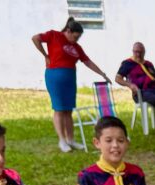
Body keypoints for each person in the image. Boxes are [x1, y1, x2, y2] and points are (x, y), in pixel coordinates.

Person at [31, 18, 111, 153]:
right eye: (75, 36)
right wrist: (45, 55)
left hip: (70, 78)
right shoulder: (54, 35)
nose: (77, 40)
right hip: (54, 76)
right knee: (59, 109)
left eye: (79, 37)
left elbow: (88, 62)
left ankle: (70, 139)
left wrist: (102, 74)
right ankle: (62, 140)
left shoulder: (77, 47)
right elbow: (35, 38)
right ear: (68, 31)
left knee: (68, 110)